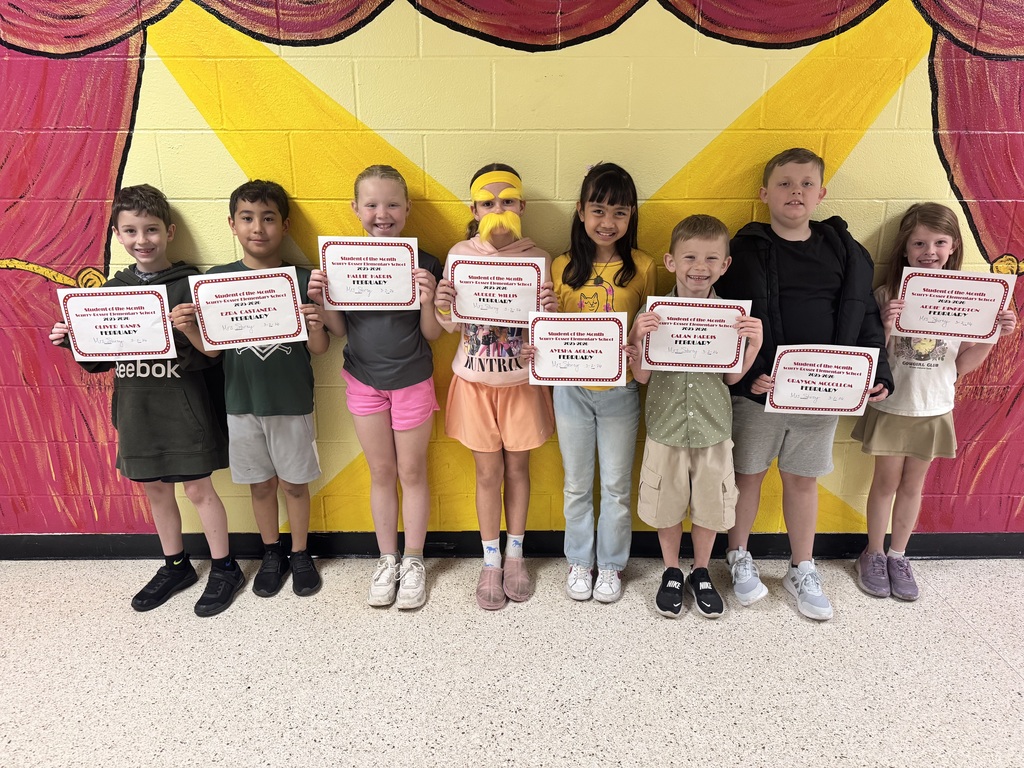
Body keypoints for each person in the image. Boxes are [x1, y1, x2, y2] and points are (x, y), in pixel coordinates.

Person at [715, 147, 894, 621]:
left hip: (822, 391)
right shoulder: (745, 249)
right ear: (764, 193)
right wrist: (748, 374)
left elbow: (865, 314)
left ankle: (801, 565)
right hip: (759, 390)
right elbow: (723, 320)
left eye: (806, 184)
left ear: (821, 193)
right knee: (746, 475)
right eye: (785, 183)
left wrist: (879, 370)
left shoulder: (846, 251)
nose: (796, 192)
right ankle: (738, 555)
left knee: (802, 480)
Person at [49, 184, 243, 617]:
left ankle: (225, 566)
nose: (142, 240)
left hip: (185, 409)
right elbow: (99, 363)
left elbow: (212, 357)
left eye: (151, 230)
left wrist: (190, 327)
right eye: (131, 231)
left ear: (169, 232)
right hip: (137, 412)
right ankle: (176, 565)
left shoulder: (192, 285)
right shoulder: (108, 292)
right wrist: (74, 340)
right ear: (118, 235)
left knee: (197, 489)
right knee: (157, 491)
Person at [173, 180, 330, 599]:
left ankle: (300, 553)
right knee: (260, 485)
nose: (257, 228)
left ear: (285, 225)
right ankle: (271, 552)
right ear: (232, 224)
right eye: (247, 218)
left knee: (295, 484)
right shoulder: (217, 281)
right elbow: (212, 350)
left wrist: (315, 324)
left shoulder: (300, 277)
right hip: (241, 404)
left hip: (292, 402)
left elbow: (319, 348)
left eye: (268, 218)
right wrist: (188, 327)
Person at [852, 203, 1017, 601]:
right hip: (893, 406)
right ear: (905, 250)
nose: (930, 250)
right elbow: (876, 358)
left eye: (939, 242)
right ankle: (872, 553)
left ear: (954, 246)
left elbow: (962, 366)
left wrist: (993, 333)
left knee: (913, 486)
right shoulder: (887, 294)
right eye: (919, 242)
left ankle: (897, 555)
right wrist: (887, 326)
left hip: (934, 406)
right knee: (885, 483)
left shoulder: (970, 299)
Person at [308, 165, 443, 610]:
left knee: (412, 472)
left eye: (391, 204)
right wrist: (322, 298)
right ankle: (387, 558)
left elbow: (433, 335)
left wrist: (429, 298)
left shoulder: (425, 263)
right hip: (364, 381)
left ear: (406, 209)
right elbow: (340, 331)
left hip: (412, 382)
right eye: (371, 204)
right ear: (355, 209)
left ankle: (415, 559)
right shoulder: (341, 261)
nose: (381, 214)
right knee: (382, 472)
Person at [433, 163, 556, 610]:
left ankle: (515, 555)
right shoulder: (459, 252)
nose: (498, 209)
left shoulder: (538, 258)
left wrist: (550, 314)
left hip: (520, 381)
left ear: (521, 206)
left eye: (507, 201)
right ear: (475, 208)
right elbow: (449, 325)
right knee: (487, 473)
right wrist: (442, 303)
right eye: (488, 202)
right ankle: (489, 560)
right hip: (474, 381)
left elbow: (549, 334)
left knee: (519, 470)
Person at [629, 215, 762, 618]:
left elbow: (733, 376)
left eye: (710, 258)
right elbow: (642, 376)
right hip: (666, 428)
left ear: (725, 265)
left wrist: (752, 345)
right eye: (689, 257)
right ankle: (671, 570)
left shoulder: (732, 319)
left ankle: (701, 570)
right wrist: (637, 336)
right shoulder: (653, 315)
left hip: (713, 429)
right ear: (670, 262)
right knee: (665, 504)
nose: (699, 267)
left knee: (709, 506)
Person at [551, 163, 657, 603]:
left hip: (621, 392)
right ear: (580, 211)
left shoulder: (644, 266)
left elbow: (650, 331)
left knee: (615, 485)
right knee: (576, 483)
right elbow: (550, 331)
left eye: (619, 212)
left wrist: (637, 344)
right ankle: (579, 560)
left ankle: (611, 566)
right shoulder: (560, 266)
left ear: (631, 216)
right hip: (570, 391)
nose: (607, 222)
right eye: (598, 210)